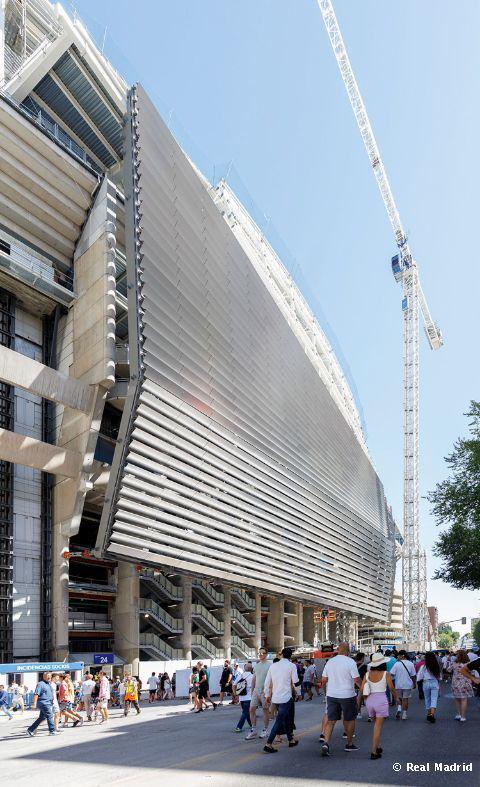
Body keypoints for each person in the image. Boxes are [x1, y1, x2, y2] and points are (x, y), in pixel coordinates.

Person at [320, 643, 361, 756]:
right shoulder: (350, 662)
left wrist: (325, 692)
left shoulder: (330, 662)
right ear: (348, 651)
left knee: (331, 721)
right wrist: (364, 689)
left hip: (332, 695)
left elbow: (324, 680)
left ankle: (326, 743)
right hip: (347, 695)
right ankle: (349, 744)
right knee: (350, 719)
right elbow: (357, 680)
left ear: (338, 650)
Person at [360, 652, 398, 760]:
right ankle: (374, 751)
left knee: (375, 726)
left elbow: (362, 689)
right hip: (381, 701)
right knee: (378, 728)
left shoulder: (367, 674)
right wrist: (396, 698)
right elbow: (391, 688)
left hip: (369, 702)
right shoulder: (385, 674)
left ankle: (378, 746)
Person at [263, 647, 299, 753]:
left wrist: (267, 695)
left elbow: (267, 682)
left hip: (276, 698)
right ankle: (268, 744)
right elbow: (295, 682)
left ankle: (291, 740)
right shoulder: (292, 666)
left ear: (281, 655)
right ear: (290, 656)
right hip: (286, 697)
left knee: (286, 719)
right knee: (280, 720)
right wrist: (299, 693)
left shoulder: (273, 666)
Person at [246, 647, 272, 739]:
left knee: (265, 710)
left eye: (262, 653)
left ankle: (265, 730)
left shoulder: (270, 665)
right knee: (251, 709)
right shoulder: (257, 665)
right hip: (256, 691)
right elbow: (254, 679)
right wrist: (252, 691)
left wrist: (270, 692)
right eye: (259, 653)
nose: (260, 655)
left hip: (265, 691)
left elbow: (272, 680)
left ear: (266, 654)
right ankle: (254, 730)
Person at [27, 672, 57, 736]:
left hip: (48, 703)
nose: (49, 677)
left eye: (50, 676)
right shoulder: (40, 684)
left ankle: (30, 730)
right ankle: (52, 731)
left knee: (42, 718)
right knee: (50, 715)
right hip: (44, 703)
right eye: (47, 676)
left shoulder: (49, 684)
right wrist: (34, 703)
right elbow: (36, 694)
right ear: (44, 677)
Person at [450, 649, 476, 722]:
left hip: (455, 683)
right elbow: (473, 673)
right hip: (465, 683)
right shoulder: (468, 664)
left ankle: (458, 714)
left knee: (457, 699)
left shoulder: (454, 663)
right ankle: (463, 717)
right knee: (464, 699)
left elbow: (448, 670)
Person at [390, 650, 416, 720]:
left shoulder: (397, 664)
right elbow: (413, 675)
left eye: (398, 655)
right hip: (407, 685)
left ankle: (399, 709)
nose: (397, 657)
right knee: (405, 699)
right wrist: (414, 683)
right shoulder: (410, 664)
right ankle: (404, 714)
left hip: (398, 684)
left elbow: (392, 673)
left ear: (402, 656)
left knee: (399, 698)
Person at [417, 652, 441, 722]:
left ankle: (428, 713)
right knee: (434, 699)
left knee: (427, 699)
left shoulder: (423, 667)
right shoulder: (436, 666)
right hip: (434, 682)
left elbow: (419, 677)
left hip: (426, 682)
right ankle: (432, 714)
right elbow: (440, 677)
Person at [234, 662, 254, 734]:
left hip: (241, 697)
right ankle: (239, 727)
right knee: (245, 712)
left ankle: (251, 724)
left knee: (246, 711)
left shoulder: (241, 675)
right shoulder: (253, 676)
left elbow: (234, 685)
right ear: (251, 669)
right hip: (249, 697)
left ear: (244, 669)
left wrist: (235, 694)